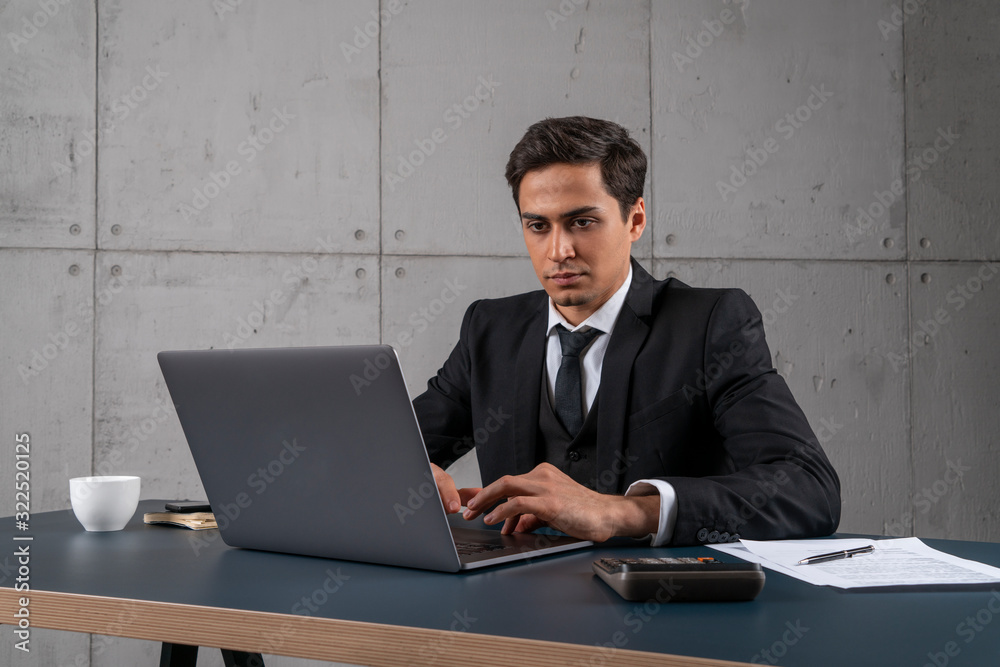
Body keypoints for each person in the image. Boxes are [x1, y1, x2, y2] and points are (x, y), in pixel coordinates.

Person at [412, 116, 840, 546]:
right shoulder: (490, 329)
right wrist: (399, 471)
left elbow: (809, 491)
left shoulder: (710, 325)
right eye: (538, 225)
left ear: (635, 221)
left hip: (660, 599)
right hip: (510, 599)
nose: (559, 250)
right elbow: (385, 450)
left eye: (582, 222)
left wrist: (626, 512)